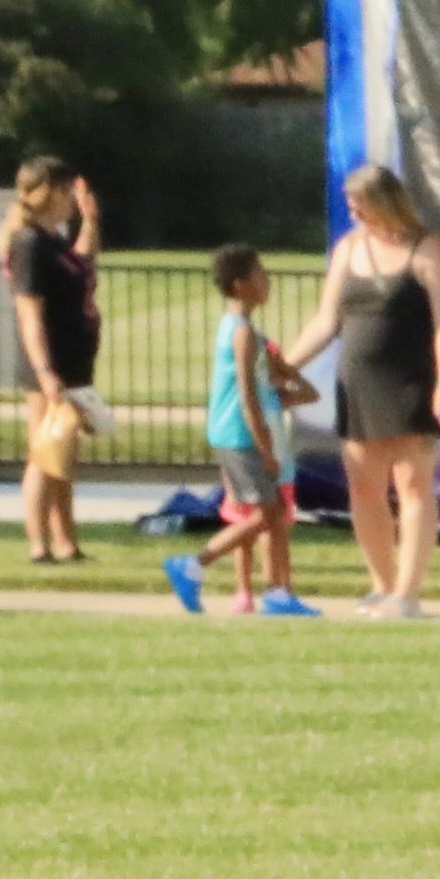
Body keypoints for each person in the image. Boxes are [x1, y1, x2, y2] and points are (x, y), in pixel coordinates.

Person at [315, 167, 440, 621]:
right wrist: (282, 365)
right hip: (357, 381)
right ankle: (382, 584)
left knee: (414, 483)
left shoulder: (425, 249)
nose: (352, 210)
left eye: (359, 201)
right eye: (349, 201)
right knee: (364, 484)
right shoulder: (348, 249)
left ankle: (408, 592)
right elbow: (326, 321)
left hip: (411, 380)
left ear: (384, 201)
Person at [170, 248, 322, 620]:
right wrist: (265, 446)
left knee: (272, 513)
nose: (267, 281)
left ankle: (277, 594)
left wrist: (283, 369)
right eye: (261, 274)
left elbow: (280, 390)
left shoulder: (247, 331)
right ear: (241, 285)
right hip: (240, 436)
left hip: (239, 433)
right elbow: (247, 397)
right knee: (265, 515)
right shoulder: (242, 335)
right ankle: (193, 564)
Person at [2, 153, 101, 571]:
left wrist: (89, 220)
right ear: (52, 192)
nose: (70, 200)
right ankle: (39, 543)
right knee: (45, 454)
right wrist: (46, 373)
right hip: (50, 365)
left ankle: (66, 541)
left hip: (72, 363)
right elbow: (29, 313)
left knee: (63, 455)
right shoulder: (28, 242)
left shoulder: (53, 239)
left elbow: (81, 264)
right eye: (66, 192)